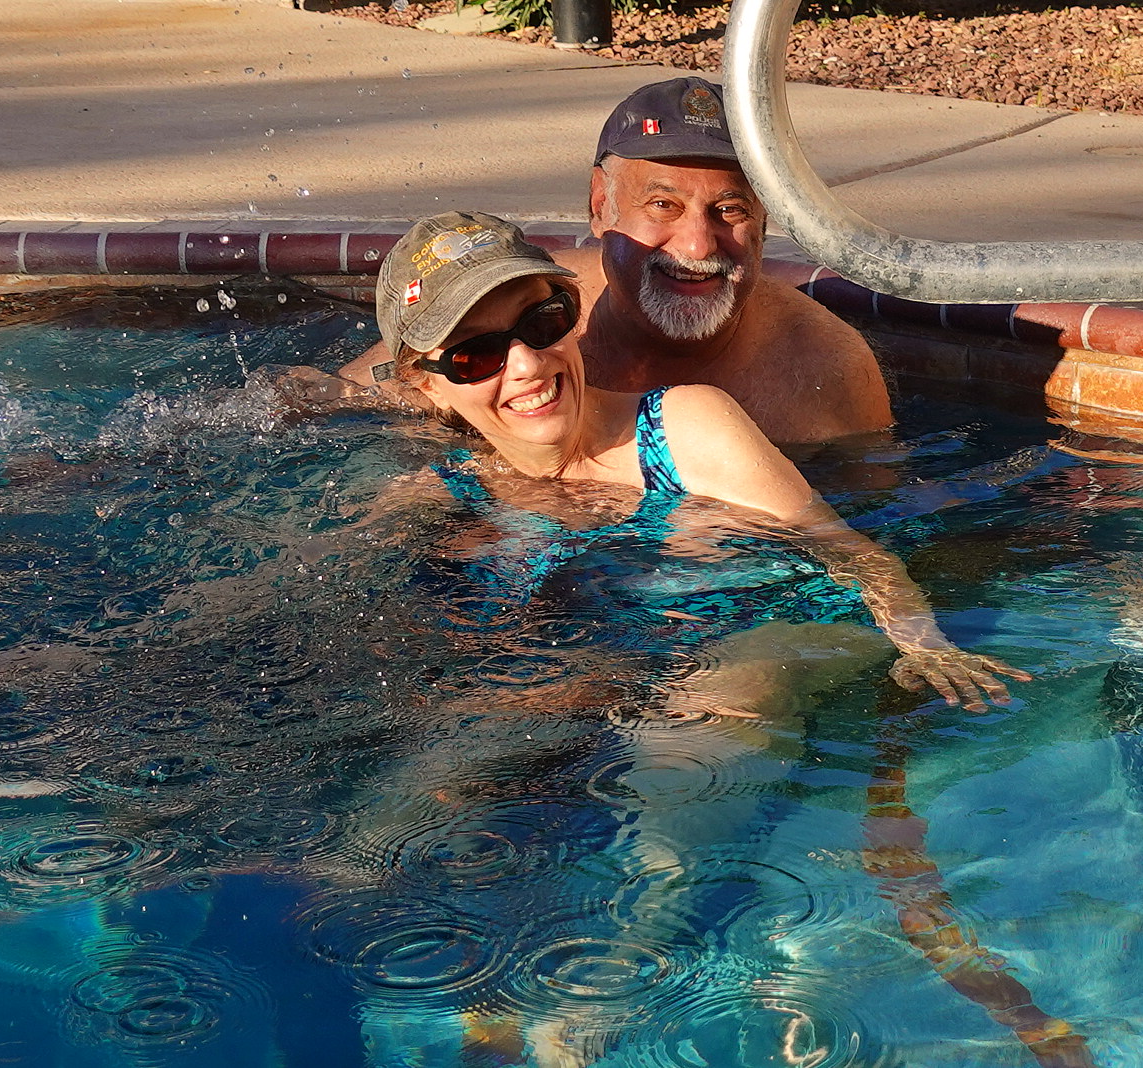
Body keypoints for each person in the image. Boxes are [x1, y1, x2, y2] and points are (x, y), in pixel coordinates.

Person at [368, 208, 1026, 710]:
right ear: (424, 381)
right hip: (608, 682)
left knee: (725, 697)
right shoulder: (441, 491)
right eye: (475, 355)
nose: (527, 363)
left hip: (766, 646)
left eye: (542, 321)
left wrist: (924, 642)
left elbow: (844, 548)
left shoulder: (683, 428)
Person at [336, 76, 892, 448]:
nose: (698, 246)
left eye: (729, 209)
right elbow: (340, 396)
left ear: (765, 219)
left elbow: (878, 537)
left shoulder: (826, 370)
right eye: (662, 205)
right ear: (601, 206)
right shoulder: (535, 311)